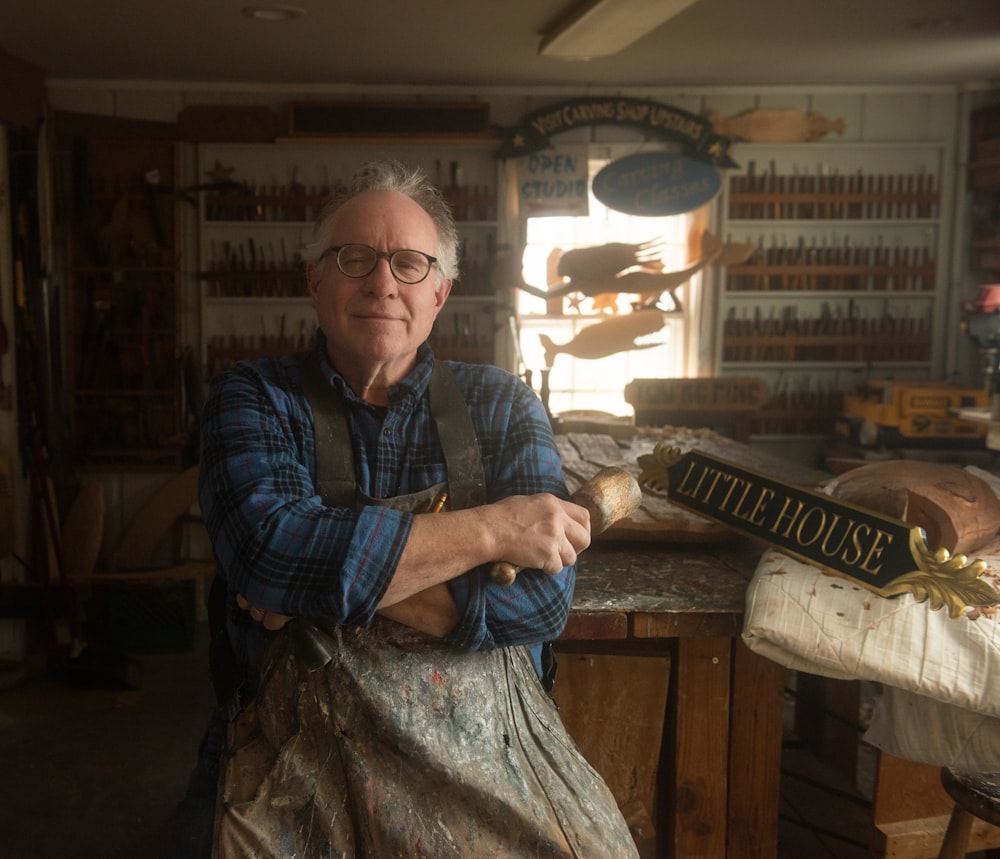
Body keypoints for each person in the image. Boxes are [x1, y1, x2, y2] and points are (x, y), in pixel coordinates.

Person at [194, 159, 639, 858]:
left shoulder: (502, 405)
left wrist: (316, 586)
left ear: (440, 291)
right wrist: (494, 528)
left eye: (408, 263)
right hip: (301, 755)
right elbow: (267, 552)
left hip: (493, 754)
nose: (382, 283)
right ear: (315, 277)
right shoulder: (252, 397)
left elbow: (543, 605)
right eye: (356, 258)